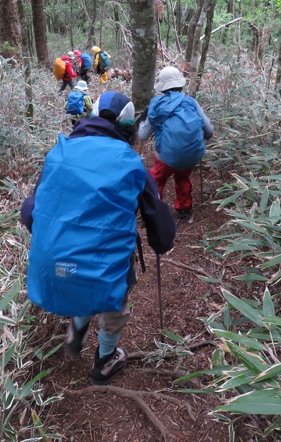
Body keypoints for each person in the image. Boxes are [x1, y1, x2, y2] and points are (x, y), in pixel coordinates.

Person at [21, 91, 176, 385]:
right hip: (103, 263)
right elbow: (157, 217)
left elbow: (31, 208)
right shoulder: (131, 163)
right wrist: (162, 242)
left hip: (53, 255)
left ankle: (78, 328)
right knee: (112, 295)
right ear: (128, 128)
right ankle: (105, 360)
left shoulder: (61, 152)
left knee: (83, 277)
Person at [138, 66, 214, 221]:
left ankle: (155, 210)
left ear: (162, 87)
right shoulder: (191, 102)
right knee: (182, 177)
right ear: (180, 84)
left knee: (156, 178)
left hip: (167, 156)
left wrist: (141, 121)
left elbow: (143, 135)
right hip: (192, 154)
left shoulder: (156, 105)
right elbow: (209, 131)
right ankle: (184, 208)